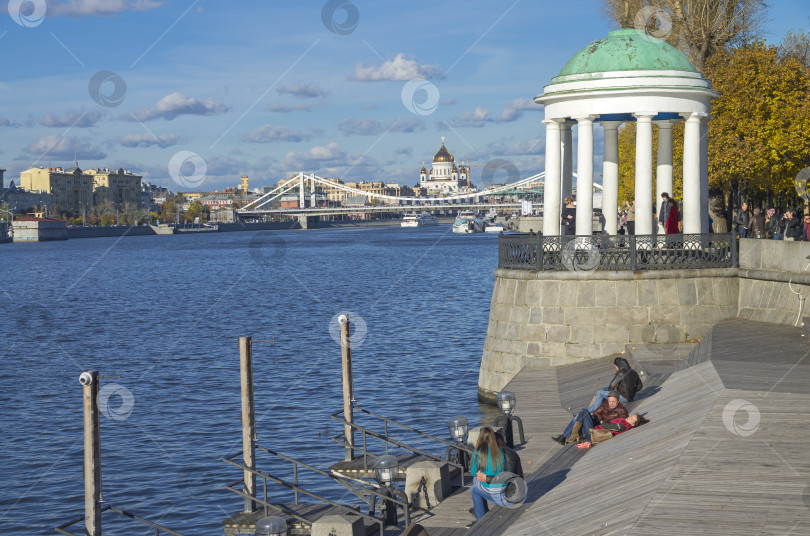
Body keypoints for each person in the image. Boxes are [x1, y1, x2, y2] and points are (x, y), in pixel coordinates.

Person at [551, 391, 628, 444]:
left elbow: (618, 425)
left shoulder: (622, 411)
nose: (611, 404)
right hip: (593, 426)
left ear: (618, 401)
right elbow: (595, 412)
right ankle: (568, 436)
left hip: (596, 431)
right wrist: (600, 419)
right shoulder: (605, 404)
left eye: (613, 402)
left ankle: (567, 436)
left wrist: (604, 422)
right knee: (582, 413)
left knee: (583, 412)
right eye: (610, 401)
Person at [476, 430, 524, 505]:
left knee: (475, 489)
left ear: (499, 440)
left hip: (513, 495)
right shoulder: (497, 454)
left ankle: (480, 512)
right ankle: (480, 508)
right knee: (477, 480)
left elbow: (507, 477)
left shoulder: (509, 455)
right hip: (508, 490)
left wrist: (487, 478)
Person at [469, 427, 507, 521]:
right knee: (478, 482)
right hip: (503, 488)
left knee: (474, 488)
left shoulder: (479, 452)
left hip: (495, 494)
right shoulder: (500, 450)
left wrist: (478, 472)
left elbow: (473, 472)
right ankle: (482, 512)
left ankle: (480, 518)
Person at [580, 413, 650, 448]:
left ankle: (571, 435)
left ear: (632, 424)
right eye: (631, 416)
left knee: (584, 413)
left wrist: (606, 420)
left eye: (631, 419)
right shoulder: (623, 422)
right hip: (596, 429)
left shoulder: (622, 426)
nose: (629, 417)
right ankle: (572, 434)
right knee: (587, 415)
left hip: (593, 433)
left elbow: (605, 425)